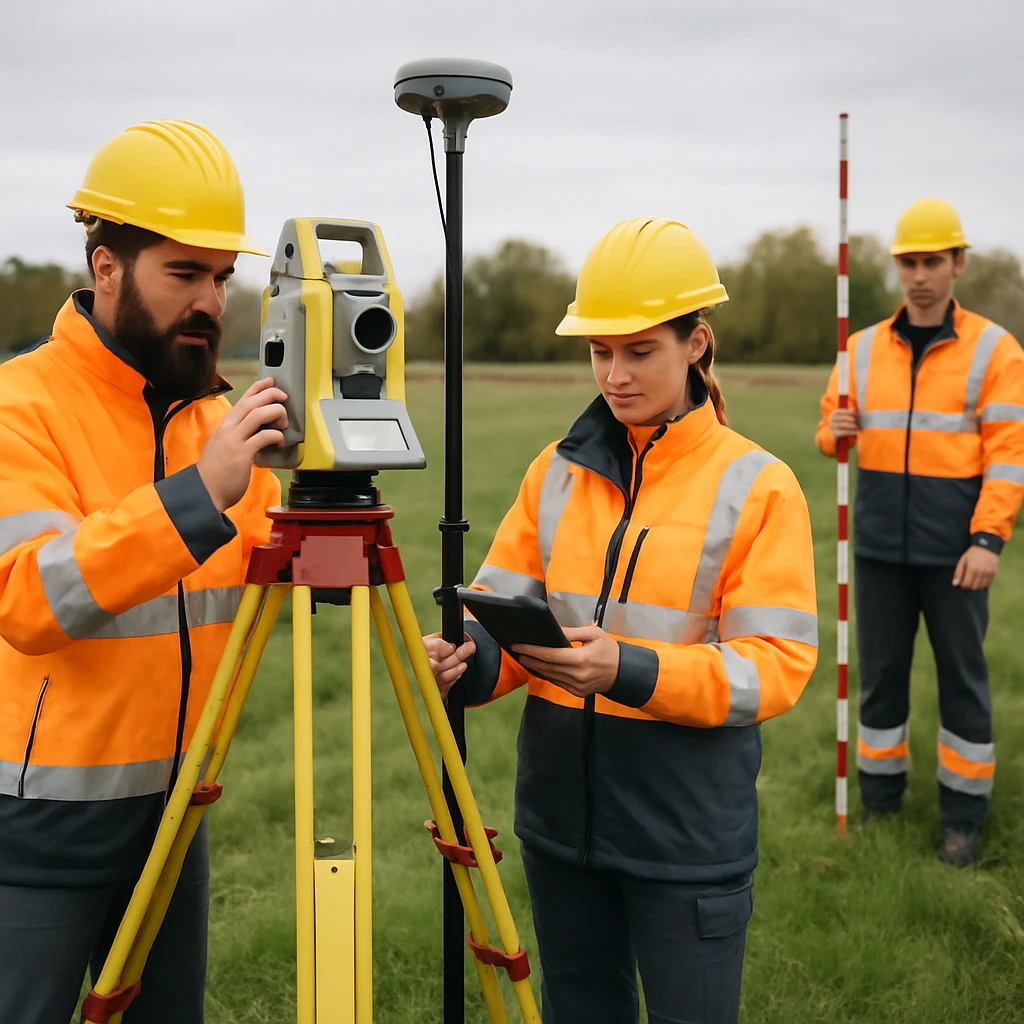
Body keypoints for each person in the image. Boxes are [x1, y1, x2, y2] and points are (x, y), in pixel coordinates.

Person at [425, 218, 818, 1024]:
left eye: (640, 351)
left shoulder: (759, 485)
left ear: (696, 343)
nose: (615, 373)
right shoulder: (555, 470)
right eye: (600, 351)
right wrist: (467, 665)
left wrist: (628, 670)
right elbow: (506, 623)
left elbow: (774, 665)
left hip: (686, 837)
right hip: (561, 828)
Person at [0, 120, 289, 1023]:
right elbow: (32, 595)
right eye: (184, 274)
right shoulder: (21, 406)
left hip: (174, 820)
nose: (210, 301)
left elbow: (277, 586)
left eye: (221, 278)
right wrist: (199, 495)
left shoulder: (218, 428)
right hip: (40, 826)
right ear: (106, 265)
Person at [815, 197, 1024, 866]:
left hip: (956, 552)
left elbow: (1010, 455)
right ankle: (880, 804)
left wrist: (987, 539)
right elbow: (830, 431)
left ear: (958, 263)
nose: (920, 275)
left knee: (962, 680)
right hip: (877, 547)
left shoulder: (996, 349)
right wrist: (833, 433)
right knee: (880, 680)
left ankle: (962, 819)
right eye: (909, 261)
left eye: (933, 260)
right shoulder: (860, 348)